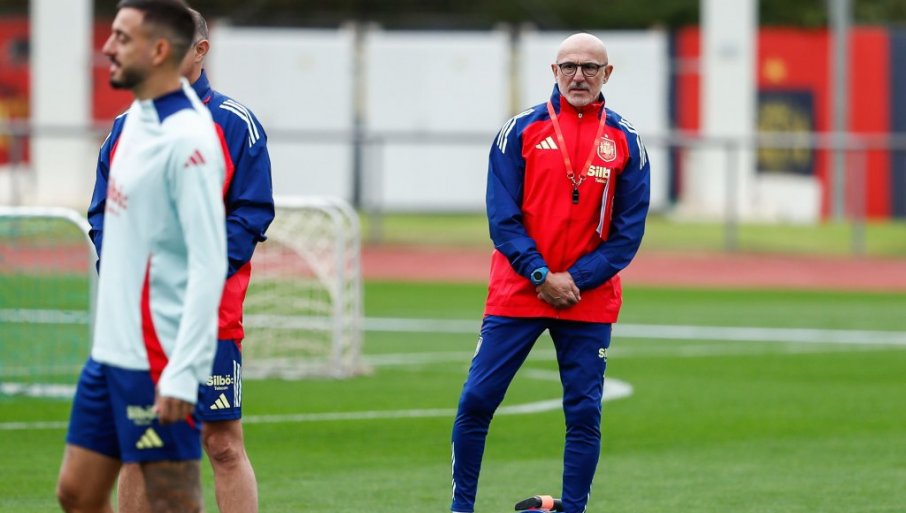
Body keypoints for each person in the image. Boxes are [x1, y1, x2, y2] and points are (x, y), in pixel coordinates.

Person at [450, 33, 650, 513]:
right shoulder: (519, 130)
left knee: (583, 413)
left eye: (590, 67)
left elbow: (627, 233)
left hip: (587, 297)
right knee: (476, 401)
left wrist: (575, 279)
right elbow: (502, 218)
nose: (578, 76)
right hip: (519, 291)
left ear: (607, 74)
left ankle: (574, 509)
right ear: (554, 71)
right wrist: (540, 274)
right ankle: (461, 508)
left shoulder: (626, 141)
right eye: (569, 66)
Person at [85, 8, 274, 513]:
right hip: (138, 319)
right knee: (139, 443)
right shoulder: (127, 126)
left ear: (200, 50)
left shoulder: (234, 123)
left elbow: (252, 212)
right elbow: (102, 212)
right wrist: (123, 272)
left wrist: (193, 277)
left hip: (209, 316)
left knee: (222, 443)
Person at [55, 1, 226, 512]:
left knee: (172, 502)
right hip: (111, 353)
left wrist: (183, 371)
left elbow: (209, 263)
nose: (107, 47)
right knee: (77, 493)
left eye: (122, 38)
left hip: (157, 358)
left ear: (158, 51)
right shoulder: (132, 122)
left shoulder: (189, 138)